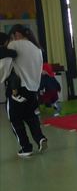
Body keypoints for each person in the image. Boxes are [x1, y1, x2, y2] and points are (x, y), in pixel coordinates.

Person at [5, 25, 47, 157]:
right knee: (31, 117)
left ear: (16, 34)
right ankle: (40, 138)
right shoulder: (37, 48)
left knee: (15, 119)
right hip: (33, 89)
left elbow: (5, 63)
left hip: (18, 89)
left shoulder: (14, 45)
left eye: (12, 36)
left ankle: (26, 147)